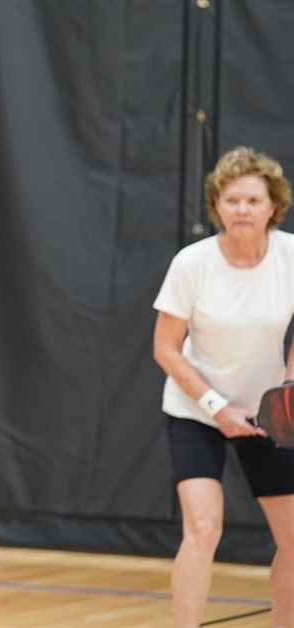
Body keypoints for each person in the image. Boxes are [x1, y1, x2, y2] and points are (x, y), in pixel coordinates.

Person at [153, 146, 294, 627]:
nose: (241, 210)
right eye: (231, 200)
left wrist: (290, 384)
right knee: (204, 527)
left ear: (273, 205)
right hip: (197, 410)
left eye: (253, 201)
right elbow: (166, 348)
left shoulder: (291, 257)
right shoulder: (192, 264)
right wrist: (216, 407)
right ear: (217, 206)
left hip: (267, 412)